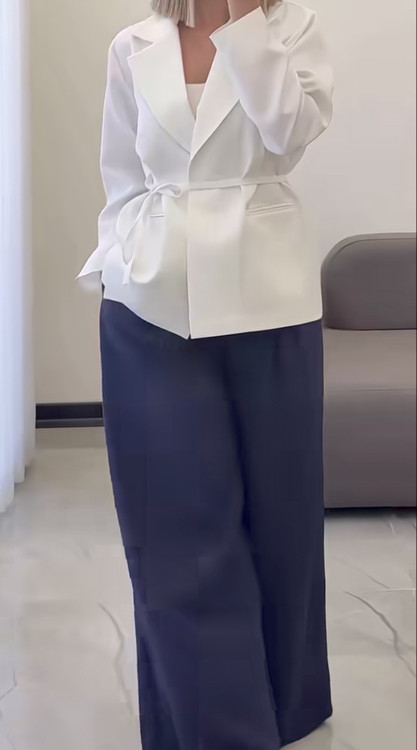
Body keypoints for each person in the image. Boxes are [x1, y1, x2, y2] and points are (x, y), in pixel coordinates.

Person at [78, 0, 334, 747]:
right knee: (175, 529)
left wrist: (242, 24)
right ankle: (216, 728)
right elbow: (121, 178)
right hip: (151, 304)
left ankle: (285, 705)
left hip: (271, 300)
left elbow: (288, 135)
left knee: (282, 521)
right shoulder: (132, 44)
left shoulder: (291, 29)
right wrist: (118, 264)